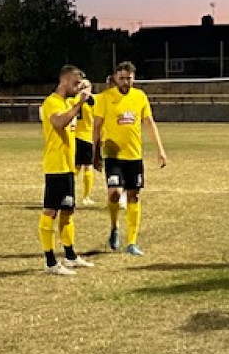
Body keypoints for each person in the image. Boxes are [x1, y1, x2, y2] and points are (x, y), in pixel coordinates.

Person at [92, 61, 168, 256]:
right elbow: (97, 126)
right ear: (115, 78)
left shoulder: (140, 97)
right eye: (122, 78)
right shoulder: (105, 98)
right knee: (115, 193)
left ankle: (132, 242)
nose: (126, 82)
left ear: (134, 78)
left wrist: (160, 149)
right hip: (113, 155)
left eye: (129, 78)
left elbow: (149, 123)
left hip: (134, 156)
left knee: (134, 195)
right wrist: (94, 153)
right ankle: (114, 226)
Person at [39, 65, 95, 275]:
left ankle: (70, 256)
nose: (76, 87)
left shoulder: (68, 102)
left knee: (68, 211)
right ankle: (50, 262)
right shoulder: (52, 102)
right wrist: (78, 103)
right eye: (74, 83)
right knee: (50, 212)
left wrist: (83, 93)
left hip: (68, 167)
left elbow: (89, 97)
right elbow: (59, 123)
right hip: (55, 166)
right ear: (63, 81)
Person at [73, 78, 98, 206]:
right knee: (87, 167)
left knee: (76, 167)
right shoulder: (90, 101)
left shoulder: (73, 100)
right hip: (86, 137)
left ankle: (68, 192)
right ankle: (86, 197)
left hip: (75, 137)